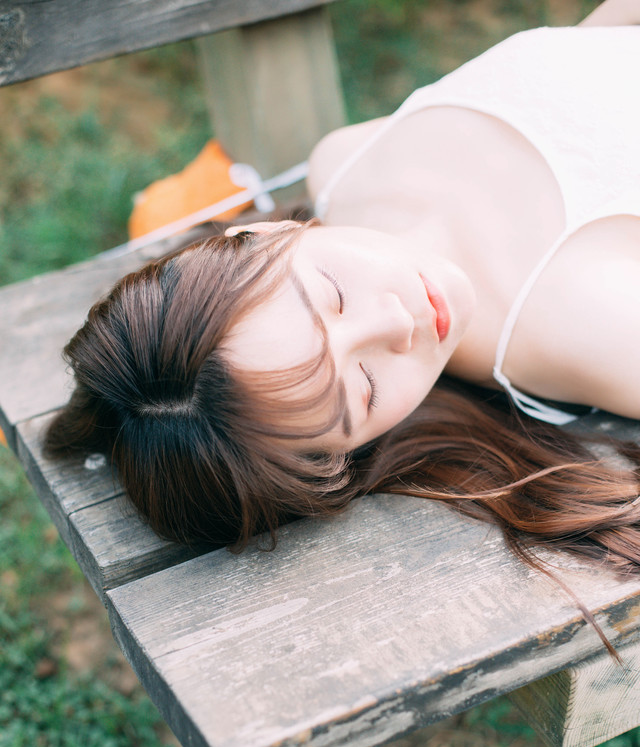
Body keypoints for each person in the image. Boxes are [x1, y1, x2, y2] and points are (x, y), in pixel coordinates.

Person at [45, 0, 640, 593]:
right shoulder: (587, 327)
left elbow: (586, 48)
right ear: (359, 448)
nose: (395, 322)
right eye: (366, 387)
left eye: (332, 295)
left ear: (266, 234)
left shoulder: (342, 165)